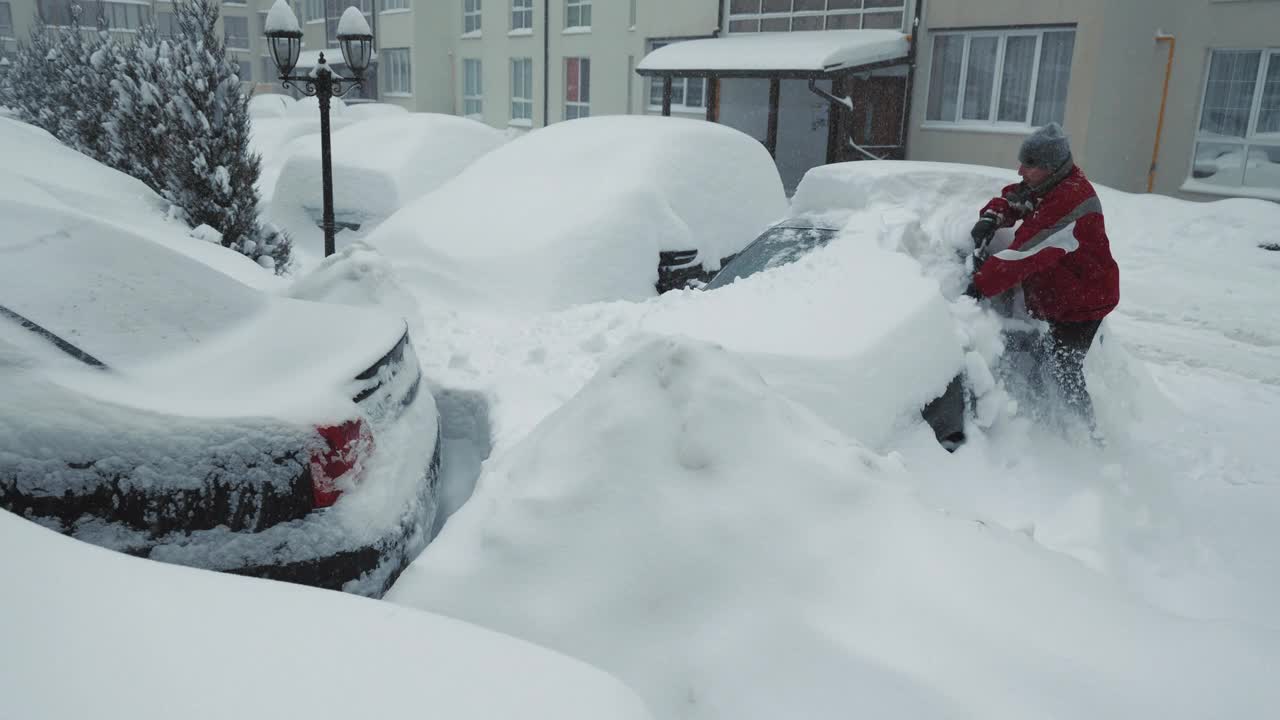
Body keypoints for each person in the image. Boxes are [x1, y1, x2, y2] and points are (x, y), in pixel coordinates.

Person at [964, 122, 1120, 436]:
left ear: (1050, 167)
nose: (1020, 169)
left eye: (1029, 164)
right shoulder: (1050, 185)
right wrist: (992, 216)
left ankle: (1085, 436)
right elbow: (1017, 198)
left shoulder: (1069, 203)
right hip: (1062, 293)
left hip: (1083, 301)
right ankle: (1048, 420)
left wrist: (978, 285)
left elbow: (1023, 254)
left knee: (1064, 372)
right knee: (1047, 361)